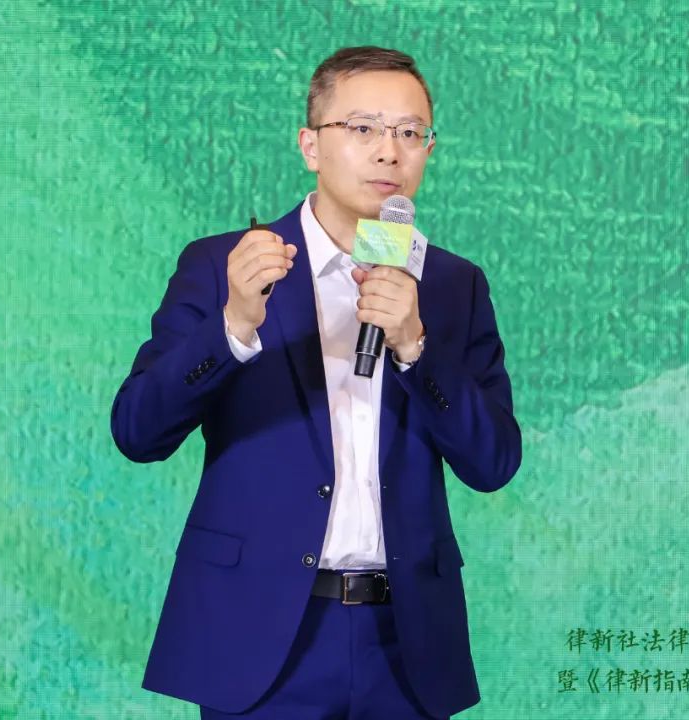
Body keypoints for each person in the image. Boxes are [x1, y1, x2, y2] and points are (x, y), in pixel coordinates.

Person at [110, 46, 521, 720]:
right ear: (310, 145)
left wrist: (416, 349)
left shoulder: (454, 285)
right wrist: (233, 327)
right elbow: (137, 432)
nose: (389, 151)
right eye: (362, 128)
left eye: (410, 132)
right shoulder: (224, 266)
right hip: (261, 635)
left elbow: (495, 461)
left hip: (407, 644)